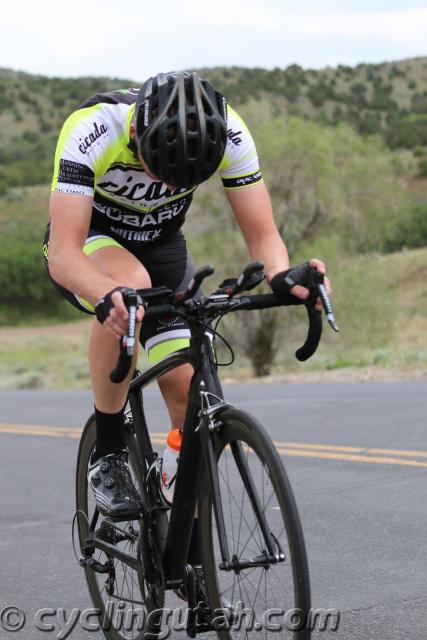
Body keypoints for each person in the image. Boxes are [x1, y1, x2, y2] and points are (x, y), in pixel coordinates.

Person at [44, 69, 329, 532]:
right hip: (91, 242)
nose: (169, 188)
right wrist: (105, 293)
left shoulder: (229, 131)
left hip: (164, 249)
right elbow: (63, 253)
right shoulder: (94, 128)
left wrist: (282, 277)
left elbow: (263, 236)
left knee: (188, 390)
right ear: (138, 135)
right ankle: (110, 450)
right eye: (162, 174)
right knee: (130, 284)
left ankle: (188, 551)